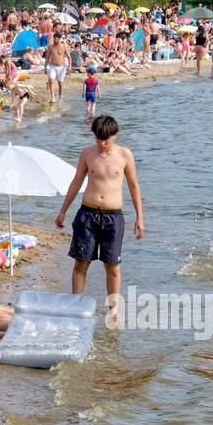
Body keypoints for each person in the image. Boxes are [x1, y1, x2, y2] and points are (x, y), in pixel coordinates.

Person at [55, 114, 145, 300]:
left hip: (113, 216)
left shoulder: (124, 155)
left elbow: (134, 185)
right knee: (81, 262)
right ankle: (76, 304)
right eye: (98, 138)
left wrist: (139, 217)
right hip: (87, 214)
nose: (102, 143)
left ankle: (113, 309)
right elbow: (76, 182)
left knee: (112, 265)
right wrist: (63, 211)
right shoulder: (87, 153)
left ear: (115, 135)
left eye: (105, 139)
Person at [45, 34, 70, 103]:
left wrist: (70, 66)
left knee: (60, 83)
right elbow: (47, 58)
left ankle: (60, 96)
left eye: (55, 38)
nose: (54, 39)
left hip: (61, 67)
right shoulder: (50, 47)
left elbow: (69, 57)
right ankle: (53, 98)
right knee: (51, 81)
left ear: (59, 38)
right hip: (52, 66)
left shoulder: (64, 46)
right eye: (54, 38)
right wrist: (45, 67)